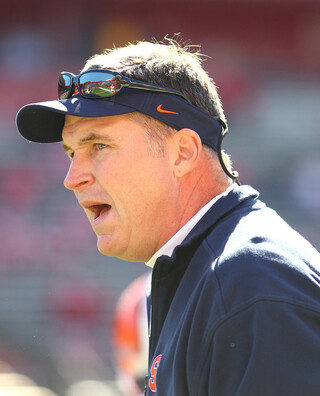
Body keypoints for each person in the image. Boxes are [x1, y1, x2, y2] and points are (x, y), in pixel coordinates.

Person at [16, 38, 320, 395]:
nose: (72, 178)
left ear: (183, 153)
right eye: (71, 153)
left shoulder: (251, 283)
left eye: (98, 145)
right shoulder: (206, 270)